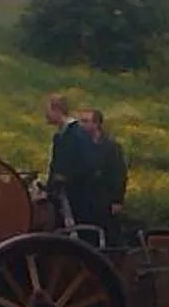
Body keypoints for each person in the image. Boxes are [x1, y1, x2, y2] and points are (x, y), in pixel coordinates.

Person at [43, 93, 98, 228]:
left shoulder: (76, 134)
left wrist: (66, 177)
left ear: (57, 110)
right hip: (62, 193)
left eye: (48, 110)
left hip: (76, 195)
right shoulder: (60, 135)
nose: (46, 115)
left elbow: (88, 162)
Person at [84, 108, 128, 231]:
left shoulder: (111, 147)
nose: (82, 125)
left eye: (85, 121)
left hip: (106, 199)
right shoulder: (83, 145)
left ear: (96, 124)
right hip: (88, 199)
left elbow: (119, 174)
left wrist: (117, 200)